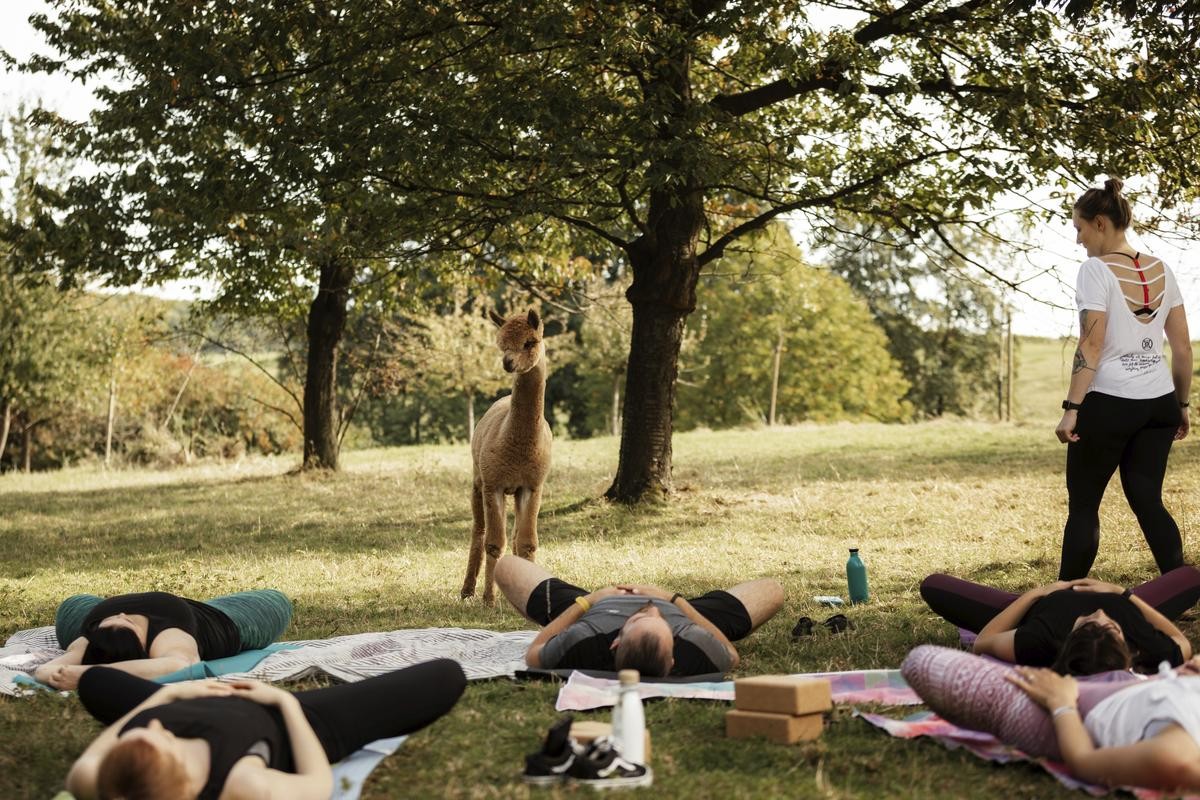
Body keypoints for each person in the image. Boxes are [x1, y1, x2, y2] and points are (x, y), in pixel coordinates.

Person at [65, 659, 466, 800]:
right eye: (162, 736)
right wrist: (284, 703)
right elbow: (318, 785)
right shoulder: (243, 786)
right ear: (183, 779)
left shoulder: (97, 780)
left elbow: (109, 744)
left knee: (96, 681)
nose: (154, 726)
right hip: (289, 721)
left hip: (192, 698)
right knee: (445, 676)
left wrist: (168, 698)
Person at [1058, 177, 1192, 580]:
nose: (1078, 239)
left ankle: (1063, 598)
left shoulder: (1095, 271)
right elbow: (1183, 349)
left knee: (1084, 506)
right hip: (1159, 404)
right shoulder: (1163, 269)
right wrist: (1181, 406)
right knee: (1149, 500)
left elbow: (1091, 344)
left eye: (1079, 228)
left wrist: (1072, 409)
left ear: (1100, 223)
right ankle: (1179, 591)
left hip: (1110, 403)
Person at [494, 555, 784, 677]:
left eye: (638, 619)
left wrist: (588, 602)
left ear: (616, 642)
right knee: (773, 589)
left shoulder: (583, 638)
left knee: (506, 565)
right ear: (673, 657)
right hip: (686, 611)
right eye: (661, 624)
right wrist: (673, 601)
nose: (650, 610)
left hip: (596, 606)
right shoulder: (692, 642)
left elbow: (534, 653)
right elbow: (732, 656)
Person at [920, 570, 1198, 674]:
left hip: (1035, 605)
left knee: (934, 585)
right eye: (1111, 626)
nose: (1100, 614)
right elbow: (1181, 641)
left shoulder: (1040, 641)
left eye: (1090, 623)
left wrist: (1035, 595)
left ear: (1070, 637)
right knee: (1191, 577)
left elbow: (982, 643)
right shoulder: (1149, 649)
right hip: (1129, 598)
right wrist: (1122, 594)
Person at [34, 589, 293, 690]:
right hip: (213, 618)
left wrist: (85, 673)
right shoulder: (169, 638)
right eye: (126, 623)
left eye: (113, 619)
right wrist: (90, 677)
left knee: (74, 602)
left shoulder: (89, 636)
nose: (122, 614)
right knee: (275, 601)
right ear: (144, 649)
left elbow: (45, 671)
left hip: (185, 610)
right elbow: (182, 665)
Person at [1007, 658, 1200, 790]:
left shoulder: (1175, 754)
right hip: (1147, 684)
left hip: (1071, 703)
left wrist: (1062, 705)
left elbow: (1083, 761)